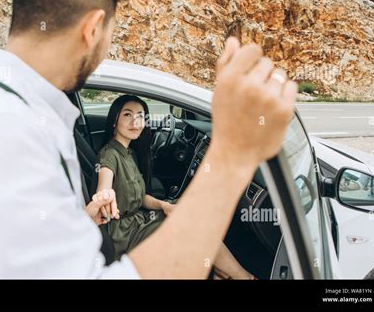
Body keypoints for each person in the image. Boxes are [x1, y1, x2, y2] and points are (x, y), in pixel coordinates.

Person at [0, 0, 297, 278]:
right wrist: (234, 152)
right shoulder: (2, 129)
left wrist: (79, 219)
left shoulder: (2, 111)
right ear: (93, 28)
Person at [93, 95, 255, 279]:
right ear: (114, 121)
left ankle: (220, 271)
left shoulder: (129, 153)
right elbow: (104, 185)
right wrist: (104, 195)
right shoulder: (109, 155)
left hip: (138, 220)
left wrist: (164, 205)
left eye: (140, 115)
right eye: (127, 115)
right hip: (124, 234)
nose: (135, 121)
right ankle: (243, 277)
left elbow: (141, 197)